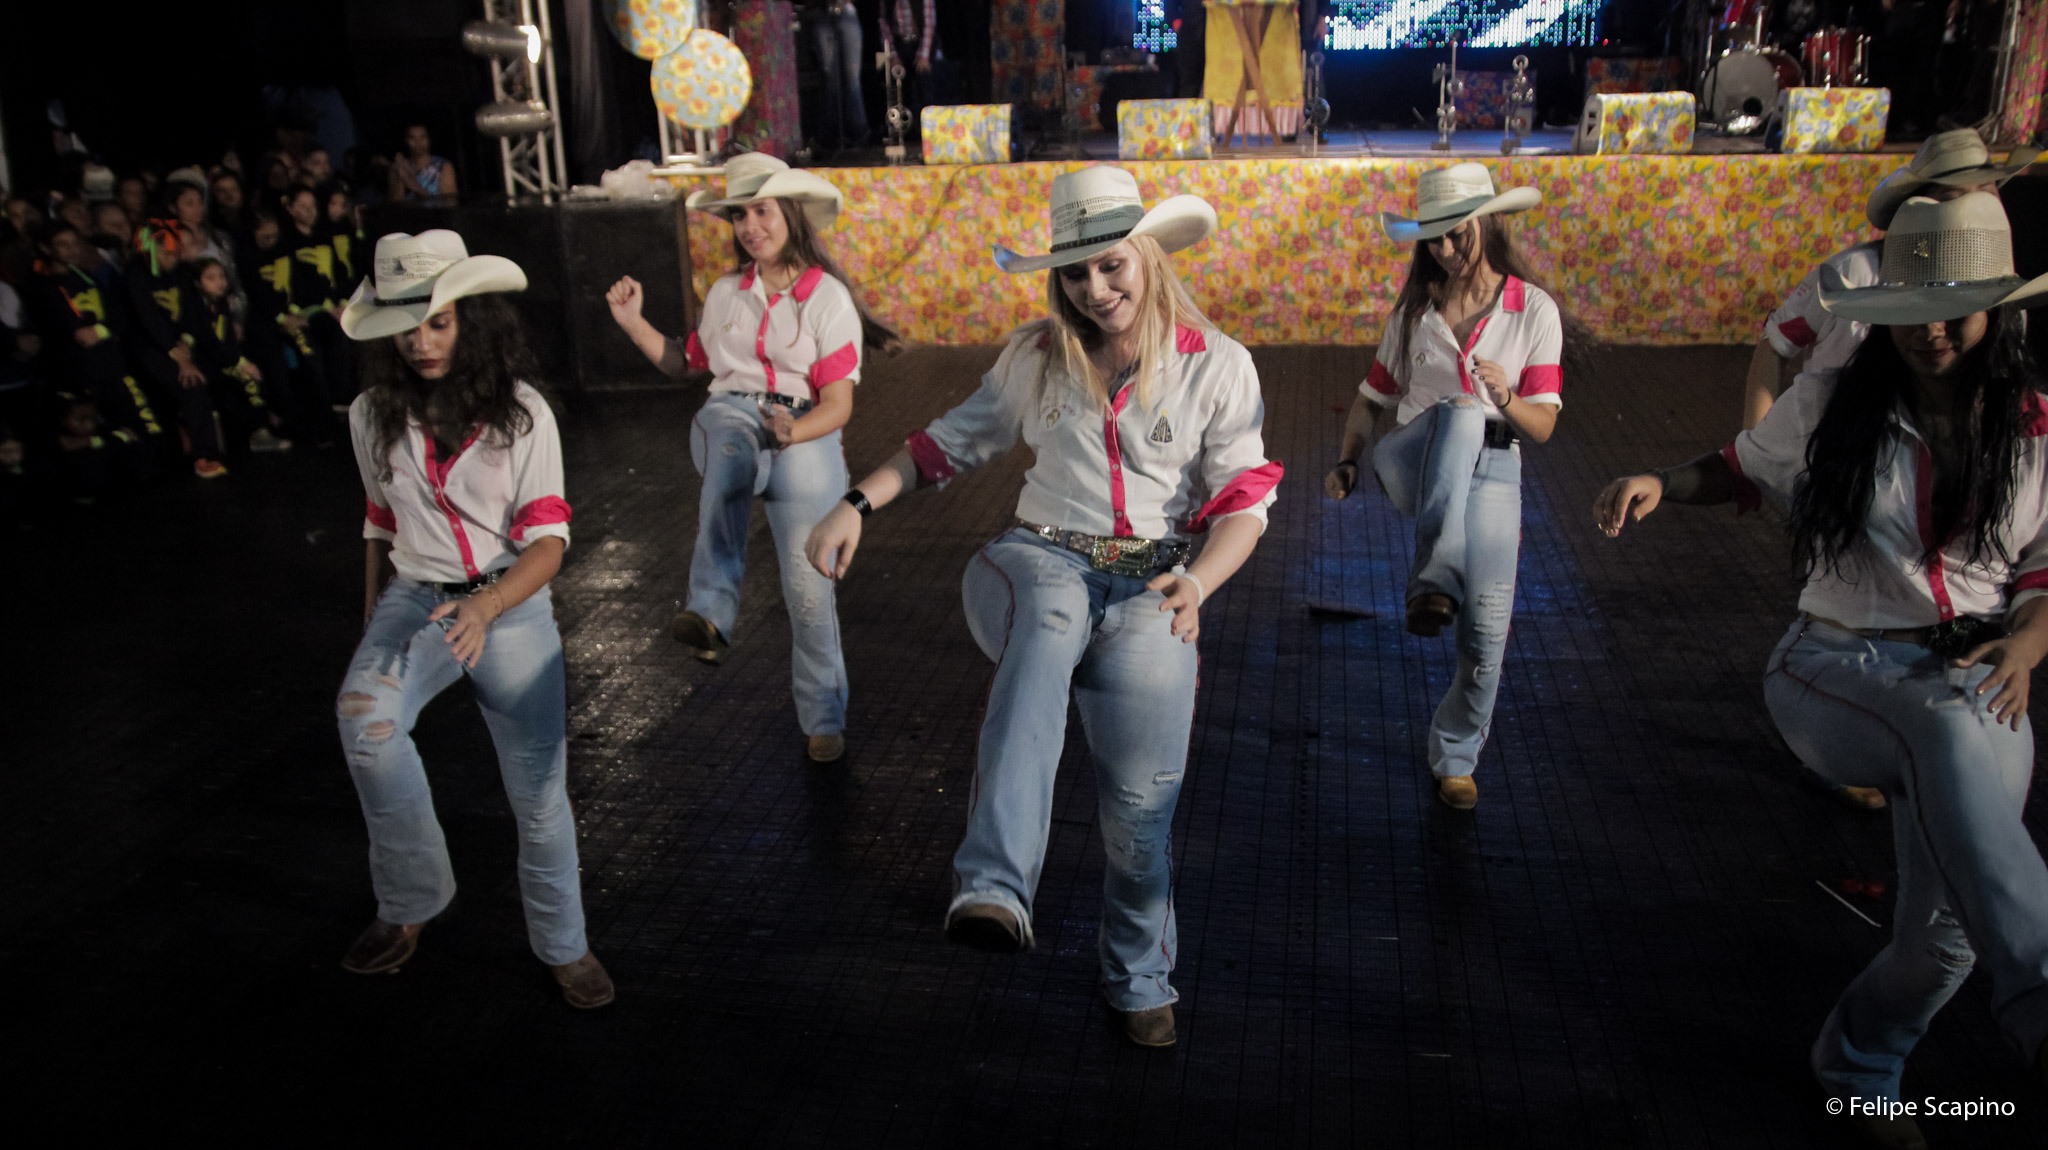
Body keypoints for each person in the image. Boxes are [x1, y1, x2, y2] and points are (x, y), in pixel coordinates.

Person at [1596, 193, 2048, 1149]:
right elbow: (1741, 466)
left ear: (1995, 312)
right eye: (1913, 310)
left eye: (1953, 311)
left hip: (1981, 681)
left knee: (1944, 944)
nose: (1929, 332)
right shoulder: (1839, 402)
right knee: (1941, 727)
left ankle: (1858, 1066)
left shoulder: (2034, 426)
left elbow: (2043, 572)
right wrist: (1661, 482)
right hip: (1835, 666)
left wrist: (2025, 644)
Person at [805, 165, 1281, 1048]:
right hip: (1036, 560)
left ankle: (1140, 976)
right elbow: (944, 446)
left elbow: (1244, 500)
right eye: (1075, 272)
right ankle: (993, 884)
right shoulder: (1035, 356)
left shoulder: (1218, 364)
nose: (1094, 289)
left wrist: (1199, 583)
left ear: (1148, 256)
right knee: (1053, 617)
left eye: (1111, 265)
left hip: (1155, 585)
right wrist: (855, 502)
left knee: (1139, 813)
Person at [333, 228, 611, 1008]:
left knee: (539, 794)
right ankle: (411, 902)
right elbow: (379, 523)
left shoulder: (522, 413)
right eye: (406, 326)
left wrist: (489, 606)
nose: (421, 341)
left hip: (509, 604)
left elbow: (549, 543)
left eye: (438, 321)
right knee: (365, 722)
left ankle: (565, 945)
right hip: (418, 597)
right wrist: (373, 617)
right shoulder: (370, 413)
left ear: (470, 318)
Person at [608, 153, 887, 764]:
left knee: (810, 589)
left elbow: (838, 405)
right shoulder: (725, 294)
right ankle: (710, 613)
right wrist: (633, 323)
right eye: (739, 215)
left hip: (805, 429)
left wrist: (793, 431)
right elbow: (686, 362)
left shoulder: (827, 298)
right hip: (733, 414)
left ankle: (824, 718)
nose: (750, 226)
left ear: (791, 213)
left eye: (761, 211)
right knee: (731, 447)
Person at [1324, 163, 1570, 811]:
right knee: (1460, 410)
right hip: (1416, 459)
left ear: (1488, 224)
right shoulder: (1415, 313)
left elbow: (1543, 425)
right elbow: (1370, 400)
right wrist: (1349, 459)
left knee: (1486, 636)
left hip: (1495, 466)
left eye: (1457, 233)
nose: (1444, 248)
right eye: (1432, 237)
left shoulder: (1532, 309)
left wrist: (1506, 397)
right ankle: (1432, 580)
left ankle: (1456, 756)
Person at [1745, 130, 2037, 432]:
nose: (1932, 328)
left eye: (1986, 194)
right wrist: (1757, 440)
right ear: (1917, 204)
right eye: (1954, 197)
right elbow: (1777, 341)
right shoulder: (1854, 274)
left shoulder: (2004, 295)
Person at [122, 221, 228, 478]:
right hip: (150, 347)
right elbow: (148, 320)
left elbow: (191, 312)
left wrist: (186, 343)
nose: (174, 257)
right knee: (191, 382)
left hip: (182, 343)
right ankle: (204, 456)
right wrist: (180, 357)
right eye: (168, 253)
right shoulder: (135, 276)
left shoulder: (180, 272)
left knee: (211, 370)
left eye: (176, 252)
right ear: (151, 251)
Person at [798, 2, 869, 156]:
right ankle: (831, 138)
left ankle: (858, 134)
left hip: (847, 11)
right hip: (820, 12)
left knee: (852, 78)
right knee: (830, 80)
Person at [389, 125, 457, 202]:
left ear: (429, 140)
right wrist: (400, 175)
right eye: (412, 138)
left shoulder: (443, 166)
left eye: (422, 137)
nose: (418, 142)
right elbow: (395, 203)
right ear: (406, 140)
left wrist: (413, 185)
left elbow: (450, 203)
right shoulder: (398, 167)